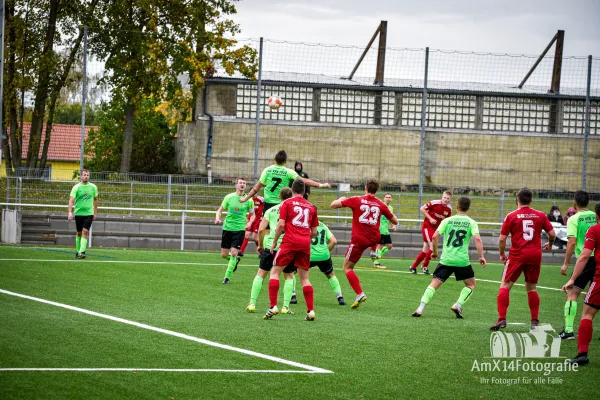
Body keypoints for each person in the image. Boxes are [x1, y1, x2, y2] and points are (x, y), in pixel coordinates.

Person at [490, 188, 556, 331]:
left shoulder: (511, 216)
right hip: (535, 255)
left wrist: (502, 254)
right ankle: (534, 321)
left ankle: (501, 319)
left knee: (505, 286)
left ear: (517, 199)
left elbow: (502, 239)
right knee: (531, 288)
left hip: (517, 255)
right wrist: (550, 244)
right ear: (531, 200)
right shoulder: (540, 215)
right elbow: (552, 234)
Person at [412, 197, 486, 318]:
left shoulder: (447, 221)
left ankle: (421, 308)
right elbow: (477, 239)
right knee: (471, 285)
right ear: (468, 208)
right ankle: (458, 304)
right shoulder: (472, 222)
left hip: (446, 259)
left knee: (433, 284)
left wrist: (435, 253)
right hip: (462, 261)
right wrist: (481, 256)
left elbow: (435, 237)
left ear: (457, 206)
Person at [331, 178, 398, 309]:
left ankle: (359, 293)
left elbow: (333, 205)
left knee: (347, 268)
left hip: (359, 239)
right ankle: (373, 252)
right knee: (374, 238)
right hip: (374, 238)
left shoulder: (356, 199)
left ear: (365, 188)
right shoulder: (381, 204)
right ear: (376, 190)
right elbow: (395, 221)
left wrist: (343, 198)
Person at [265, 179, 319, 321]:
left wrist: (275, 242)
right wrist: (304, 236)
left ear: (292, 190)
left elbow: (281, 225)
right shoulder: (311, 207)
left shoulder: (286, 203)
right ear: (305, 191)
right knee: (305, 278)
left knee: (275, 272)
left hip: (289, 241)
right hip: (304, 243)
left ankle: (273, 306)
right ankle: (310, 310)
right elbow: (314, 232)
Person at [562, 203, 600, 366]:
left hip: (587, 262)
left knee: (584, 309)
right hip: (594, 263)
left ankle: (571, 333)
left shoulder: (579, 221)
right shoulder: (592, 218)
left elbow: (578, 249)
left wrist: (569, 271)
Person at [246, 188, 294, 314]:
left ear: (279, 196)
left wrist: (260, 245)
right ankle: (285, 307)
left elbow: (261, 230)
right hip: (287, 247)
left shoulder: (270, 210)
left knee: (261, 274)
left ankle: (252, 303)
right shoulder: (293, 210)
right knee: (289, 276)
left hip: (270, 247)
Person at [559, 190, 597, 340]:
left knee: (573, 293)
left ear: (574, 203)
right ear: (588, 203)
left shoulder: (573, 219)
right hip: (598, 258)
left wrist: (566, 263)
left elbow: (572, 242)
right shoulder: (596, 216)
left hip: (586, 260)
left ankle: (568, 331)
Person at [240, 150, 329, 212]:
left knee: (267, 229)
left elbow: (256, 188)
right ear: (285, 161)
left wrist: (245, 198)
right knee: (281, 228)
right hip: (282, 204)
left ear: (274, 159)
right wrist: (321, 185)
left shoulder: (267, 170)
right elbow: (304, 181)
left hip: (268, 203)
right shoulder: (288, 171)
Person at [215, 178, 255, 284]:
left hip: (240, 229)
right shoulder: (229, 197)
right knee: (224, 255)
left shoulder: (249, 200)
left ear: (245, 186)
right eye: (240, 183)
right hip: (227, 228)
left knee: (233, 253)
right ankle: (235, 261)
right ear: (236, 185)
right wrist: (218, 218)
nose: (242, 185)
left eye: (244, 183)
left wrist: (250, 223)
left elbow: (253, 215)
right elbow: (219, 210)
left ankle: (226, 278)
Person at [410, 191, 453, 275]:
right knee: (433, 247)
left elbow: (447, 220)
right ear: (442, 197)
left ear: (450, 200)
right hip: (427, 227)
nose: (446, 200)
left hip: (436, 230)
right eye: (444, 197)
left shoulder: (449, 209)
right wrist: (430, 218)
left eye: (448, 198)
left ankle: (413, 266)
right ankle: (425, 266)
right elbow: (422, 208)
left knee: (425, 250)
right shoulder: (434, 203)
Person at [308, 220, 346, 305]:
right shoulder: (323, 225)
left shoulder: (305, 224)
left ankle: (293, 296)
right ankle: (340, 297)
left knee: (291, 273)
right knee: (331, 275)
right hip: (324, 255)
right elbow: (334, 241)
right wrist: (326, 251)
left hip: (309, 255)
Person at [68, 169, 98, 259]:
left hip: (89, 213)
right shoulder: (76, 187)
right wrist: (70, 212)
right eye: (84, 175)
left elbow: (96, 200)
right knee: (79, 233)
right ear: (81, 176)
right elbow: (71, 200)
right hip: (78, 213)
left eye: (88, 175)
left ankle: (82, 252)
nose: (86, 177)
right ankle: (78, 251)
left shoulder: (93, 187)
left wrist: (95, 212)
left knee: (85, 231)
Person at [372, 193, 396, 269]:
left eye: (390, 197)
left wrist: (393, 225)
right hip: (379, 229)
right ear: (384, 198)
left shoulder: (391, 208)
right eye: (387, 197)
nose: (388, 198)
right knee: (380, 246)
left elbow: (390, 217)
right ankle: (376, 263)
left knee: (389, 246)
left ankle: (376, 257)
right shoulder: (380, 206)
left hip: (386, 230)